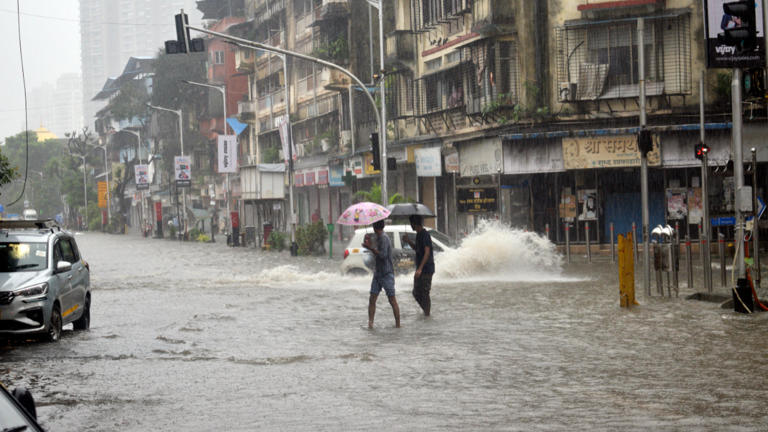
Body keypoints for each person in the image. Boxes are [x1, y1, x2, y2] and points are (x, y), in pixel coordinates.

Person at [362, 220, 400, 329]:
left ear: (374, 226)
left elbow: (382, 255)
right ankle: (370, 324)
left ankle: (398, 325)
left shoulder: (383, 238)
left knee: (392, 299)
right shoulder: (378, 237)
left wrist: (370, 248)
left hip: (386, 273)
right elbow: (375, 252)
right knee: (372, 298)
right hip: (378, 273)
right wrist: (369, 244)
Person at [402, 215, 435, 316]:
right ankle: (426, 312)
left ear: (414, 224)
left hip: (426, 269)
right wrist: (408, 241)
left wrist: (420, 269)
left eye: (411, 223)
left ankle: (427, 314)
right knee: (416, 293)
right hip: (420, 269)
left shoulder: (425, 235)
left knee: (424, 293)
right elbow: (417, 249)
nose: (410, 225)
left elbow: (427, 252)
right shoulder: (418, 235)